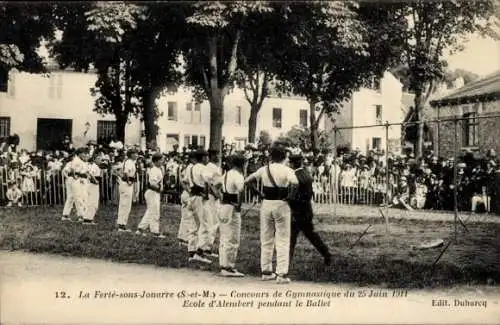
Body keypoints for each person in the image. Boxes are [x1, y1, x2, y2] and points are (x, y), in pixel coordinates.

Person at [244, 141, 299, 284]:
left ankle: (266, 271)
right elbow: (295, 183)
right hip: (281, 203)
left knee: (266, 238)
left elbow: (247, 181)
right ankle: (281, 274)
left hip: (266, 203)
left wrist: (258, 193)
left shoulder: (264, 169)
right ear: (284, 156)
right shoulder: (287, 170)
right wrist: (291, 198)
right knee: (283, 239)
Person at [287, 149, 331, 266]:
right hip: (306, 210)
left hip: (297, 212)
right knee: (311, 235)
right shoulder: (306, 173)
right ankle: (326, 253)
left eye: (290, 163)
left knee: (291, 239)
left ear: (292, 163)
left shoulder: (294, 175)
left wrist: (289, 201)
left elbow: (294, 195)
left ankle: (286, 263)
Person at [215, 153, 245, 277]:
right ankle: (229, 266)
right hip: (232, 206)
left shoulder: (226, 174)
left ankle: (223, 264)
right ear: (242, 164)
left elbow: (216, 186)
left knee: (224, 236)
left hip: (223, 205)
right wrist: (238, 205)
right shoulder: (238, 175)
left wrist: (220, 196)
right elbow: (241, 190)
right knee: (233, 237)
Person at [183, 148, 212, 264]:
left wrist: (190, 190)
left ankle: (191, 251)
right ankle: (199, 252)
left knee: (193, 225)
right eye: (207, 157)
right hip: (200, 197)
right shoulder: (203, 168)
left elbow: (184, 181)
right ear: (203, 158)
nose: (208, 159)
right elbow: (209, 181)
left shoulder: (190, 168)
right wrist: (207, 193)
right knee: (206, 224)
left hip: (192, 196)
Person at [136, 153, 166, 238]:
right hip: (152, 192)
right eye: (161, 160)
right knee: (155, 212)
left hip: (154, 192)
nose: (162, 161)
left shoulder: (158, 169)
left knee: (150, 211)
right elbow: (152, 183)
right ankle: (155, 232)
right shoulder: (154, 170)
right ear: (156, 161)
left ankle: (141, 229)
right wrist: (159, 188)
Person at [203, 149, 222, 257]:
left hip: (216, 196)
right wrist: (213, 192)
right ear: (212, 156)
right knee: (211, 222)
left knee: (215, 222)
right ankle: (206, 248)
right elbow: (207, 181)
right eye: (217, 154)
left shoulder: (215, 167)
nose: (218, 156)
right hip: (211, 196)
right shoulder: (210, 166)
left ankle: (208, 247)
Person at [62, 147, 90, 222]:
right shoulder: (76, 160)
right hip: (75, 180)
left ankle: (65, 215)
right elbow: (71, 170)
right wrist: (73, 177)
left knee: (71, 197)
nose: (85, 155)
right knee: (78, 197)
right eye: (84, 153)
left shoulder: (82, 161)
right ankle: (81, 215)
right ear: (79, 154)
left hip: (76, 179)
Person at [116, 148, 138, 232]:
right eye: (135, 153)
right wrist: (128, 181)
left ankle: (122, 224)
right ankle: (121, 225)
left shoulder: (131, 162)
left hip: (128, 183)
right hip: (126, 183)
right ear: (131, 154)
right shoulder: (129, 162)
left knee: (126, 204)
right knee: (125, 204)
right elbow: (126, 172)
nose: (136, 155)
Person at [83, 153, 101, 225]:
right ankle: (88, 219)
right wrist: (95, 181)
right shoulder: (94, 166)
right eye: (98, 159)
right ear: (94, 159)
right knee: (93, 202)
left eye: (100, 159)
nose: (100, 160)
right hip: (93, 185)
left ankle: (88, 218)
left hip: (90, 185)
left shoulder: (92, 165)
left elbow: (88, 172)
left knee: (90, 201)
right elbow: (90, 173)